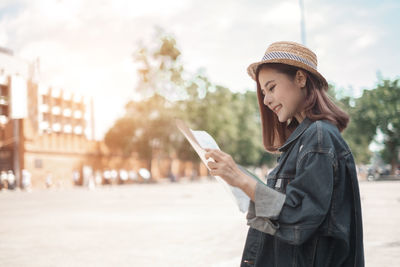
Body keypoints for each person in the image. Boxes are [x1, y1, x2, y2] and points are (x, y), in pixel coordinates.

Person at [204, 41, 364, 266]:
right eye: (263, 92)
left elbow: (298, 217)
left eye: (271, 87)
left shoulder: (319, 137)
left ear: (300, 78)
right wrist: (239, 181)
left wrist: (241, 180)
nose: (266, 100)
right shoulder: (303, 139)